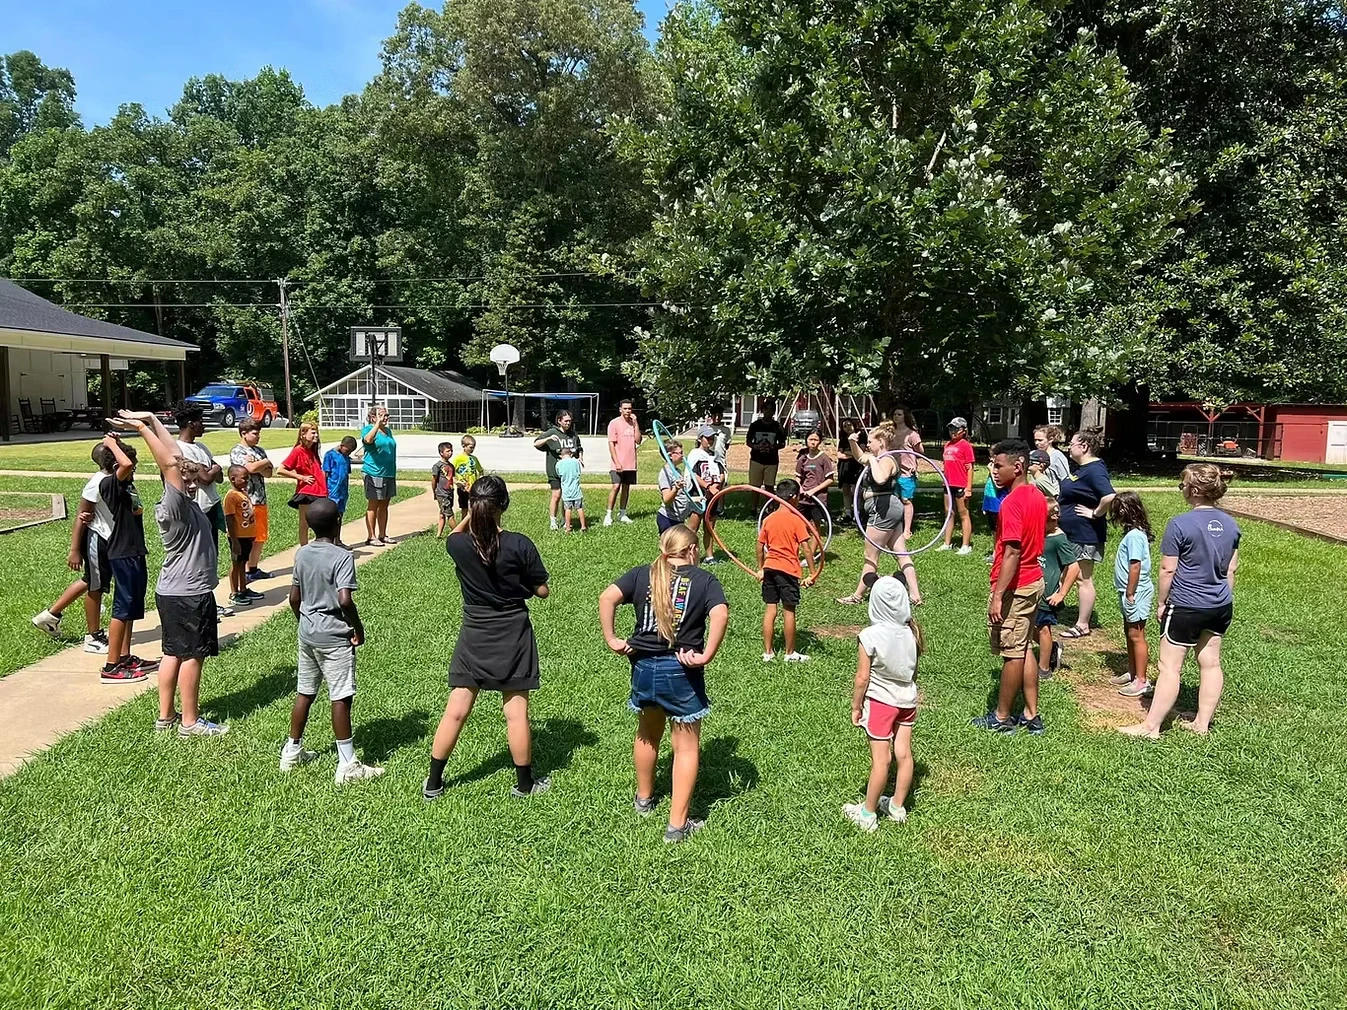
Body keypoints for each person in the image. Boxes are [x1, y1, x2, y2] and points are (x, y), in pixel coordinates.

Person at [599, 523, 729, 843]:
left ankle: (643, 799)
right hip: (681, 671)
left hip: (643, 667)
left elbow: (607, 597)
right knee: (685, 747)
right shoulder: (704, 580)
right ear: (690, 551)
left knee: (647, 734)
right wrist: (707, 654)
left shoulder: (643, 574)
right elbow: (721, 613)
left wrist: (612, 639)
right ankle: (677, 825)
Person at [424, 476, 552, 800]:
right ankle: (525, 785)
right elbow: (542, 591)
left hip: (475, 633)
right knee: (516, 712)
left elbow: (455, 533)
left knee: (455, 710)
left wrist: (469, 510)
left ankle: (434, 784)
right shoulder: (520, 544)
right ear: (504, 506)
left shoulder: (459, 545)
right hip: (513, 633)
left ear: (472, 506)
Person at [112, 410, 228, 737]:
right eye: (186, 478)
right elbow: (169, 464)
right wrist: (140, 429)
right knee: (193, 655)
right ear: (174, 482)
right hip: (189, 594)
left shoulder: (182, 503)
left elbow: (175, 458)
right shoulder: (175, 504)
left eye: (193, 476)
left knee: (173, 653)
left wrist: (151, 419)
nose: (190, 480)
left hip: (174, 591)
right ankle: (190, 722)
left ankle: (166, 718)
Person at [1122, 466, 1242, 739]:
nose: (1181, 489)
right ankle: (1202, 724)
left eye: (1182, 485)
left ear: (1194, 490)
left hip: (1187, 604)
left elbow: (1167, 570)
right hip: (1220, 605)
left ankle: (1150, 727)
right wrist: (1223, 598)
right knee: (1211, 662)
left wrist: (1162, 603)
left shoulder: (1179, 524)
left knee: (1169, 667)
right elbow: (1231, 570)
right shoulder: (1231, 524)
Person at [283, 497, 384, 783]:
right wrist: (357, 628)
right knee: (340, 696)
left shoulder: (302, 553)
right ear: (338, 521)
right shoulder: (341, 556)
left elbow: (294, 598)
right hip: (334, 636)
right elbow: (344, 598)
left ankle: (292, 751)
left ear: (308, 524)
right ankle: (347, 765)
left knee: (305, 691)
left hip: (307, 633)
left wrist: (304, 623)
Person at [973, 438, 1048, 734]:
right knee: (1024, 646)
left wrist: (998, 595)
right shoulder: (1037, 495)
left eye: (998, 465)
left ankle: (1002, 717)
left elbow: (1013, 552)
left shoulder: (1013, 503)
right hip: (1034, 582)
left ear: (1018, 467)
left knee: (1012, 652)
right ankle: (1031, 714)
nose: (993, 470)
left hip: (1018, 586)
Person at [843, 574, 922, 831]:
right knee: (904, 754)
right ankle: (897, 806)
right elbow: (913, 671)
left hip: (881, 702)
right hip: (907, 700)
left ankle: (867, 814)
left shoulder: (870, 635)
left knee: (881, 760)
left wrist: (856, 706)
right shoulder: (911, 633)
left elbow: (862, 677)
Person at [31, 442, 116, 653]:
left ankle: (51, 616)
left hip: (112, 540)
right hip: (99, 539)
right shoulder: (97, 483)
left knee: (91, 581)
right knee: (95, 587)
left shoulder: (115, 479)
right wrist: (74, 549)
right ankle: (93, 637)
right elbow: (81, 517)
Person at [838, 421, 922, 607]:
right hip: (889, 507)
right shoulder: (878, 458)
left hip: (883, 509)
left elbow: (880, 478)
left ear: (881, 442)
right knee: (901, 553)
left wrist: (873, 460)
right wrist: (853, 442)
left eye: (870, 441)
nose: (868, 445)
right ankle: (915, 596)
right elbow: (861, 458)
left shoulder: (885, 460)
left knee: (871, 556)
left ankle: (857, 596)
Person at [95, 436, 157, 683]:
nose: (135, 467)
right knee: (122, 607)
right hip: (122, 552)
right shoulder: (109, 484)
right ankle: (111, 666)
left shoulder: (127, 485)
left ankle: (124, 656)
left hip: (134, 550)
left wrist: (119, 446)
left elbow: (128, 467)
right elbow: (126, 466)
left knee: (131, 606)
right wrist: (111, 444)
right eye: (133, 463)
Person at [1057, 428, 1116, 639]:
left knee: (1083, 577)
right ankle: (1056, 606)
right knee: (1070, 572)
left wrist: (1095, 513)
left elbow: (1109, 496)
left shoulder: (1094, 469)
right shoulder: (1082, 468)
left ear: (1084, 446)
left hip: (1085, 533)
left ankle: (1082, 624)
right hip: (1072, 531)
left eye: (1071, 443)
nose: (1068, 447)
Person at [757, 478, 817, 662]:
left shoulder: (768, 519)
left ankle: (768, 653)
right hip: (788, 569)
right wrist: (813, 573)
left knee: (770, 609)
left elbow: (759, 547)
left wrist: (760, 569)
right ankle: (790, 653)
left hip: (770, 568)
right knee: (789, 610)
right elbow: (806, 548)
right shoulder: (796, 520)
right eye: (798, 496)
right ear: (793, 498)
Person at [1110, 492, 1155, 698]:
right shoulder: (1133, 534)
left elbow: (1135, 565)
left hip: (1135, 593)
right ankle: (1133, 671)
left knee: (1137, 634)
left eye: (1119, 509)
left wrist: (1130, 592)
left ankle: (1142, 681)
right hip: (1128, 592)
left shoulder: (1135, 536)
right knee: (1129, 632)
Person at [174, 403, 227, 572]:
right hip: (197, 509)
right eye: (200, 421)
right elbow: (205, 478)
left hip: (211, 506)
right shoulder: (179, 449)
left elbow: (217, 477)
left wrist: (212, 469)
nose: (203, 425)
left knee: (212, 553)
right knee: (199, 555)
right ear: (191, 424)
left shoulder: (202, 447)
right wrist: (213, 469)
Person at [1032, 501, 1080, 680]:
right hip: (1033, 590)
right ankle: (1052, 648)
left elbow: (1074, 567)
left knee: (1043, 628)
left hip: (1047, 594)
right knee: (1029, 628)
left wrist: (1061, 593)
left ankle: (1044, 669)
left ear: (1053, 519)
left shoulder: (1059, 539)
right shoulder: (1042, 534)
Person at [229, 418, 273, 582]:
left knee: (260, 536)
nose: (258, 436)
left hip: (260, 499)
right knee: (246, 537)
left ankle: (253, 569)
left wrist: (260, 464)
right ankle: (243, 571)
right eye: (255, 433)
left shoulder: (259, 451)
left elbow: (268, 473)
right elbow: (249, 469)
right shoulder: (237, 451)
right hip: (245, 501)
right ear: (243, 433)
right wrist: (264, 463)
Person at [276, 421, 327, 547]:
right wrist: (301, 477)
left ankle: (317, 545)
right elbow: (280, 469)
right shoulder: (298, 451)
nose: (316, 435)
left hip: (319, 490)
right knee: (305, 522)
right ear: (303, 434)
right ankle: (304, 547)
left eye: (317, 433)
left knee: (318, 521)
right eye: (313, 432)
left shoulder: (312, 450)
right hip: (306, 491)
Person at [534, 410, 583, 531]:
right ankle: (553, 521)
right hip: (554, 470)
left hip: (569, 473)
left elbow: (579, 448)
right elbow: (536, 443)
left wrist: (580, 458)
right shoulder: (552, 432)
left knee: (566, 496)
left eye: (570, 421)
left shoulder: (573, 434)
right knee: (556, 495)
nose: (568, 423)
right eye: (566, 421)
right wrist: (548, 438)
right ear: (559, 421)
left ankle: (564, 520)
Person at [686, 426, 727, 563]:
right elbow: (693, 474)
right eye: (707, 438)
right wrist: (707, 487)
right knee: (693, 528)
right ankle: (688, 555)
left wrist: (716, 485)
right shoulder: (695, 454)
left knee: (709, 528)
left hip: (713, 496)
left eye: (712, 438)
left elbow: (721, 473)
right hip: (698, 495)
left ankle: (709, 556)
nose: (710, 440)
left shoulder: (715, 456)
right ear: (700, 439)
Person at [360, 406, 398, 547]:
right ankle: (371, 536)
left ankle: (383, 534)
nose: (385, 417)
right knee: (373, 505)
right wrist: (376, 424)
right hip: (373, 472)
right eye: (382, 415)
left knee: (384, 505)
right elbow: (368, 440)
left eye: (387, 415)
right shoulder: (368, 429)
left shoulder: (388, 431)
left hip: (388, 473)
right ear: (373, 417)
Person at [222, 465, 259, 609]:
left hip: (247, 536)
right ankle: (234, 593)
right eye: (244, 478)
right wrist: (234, 540)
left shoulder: (243, 493)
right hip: (237, 537)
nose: (247, 481)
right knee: (236, 564)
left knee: (243, 562)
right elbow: (230, 519)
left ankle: (243, 589)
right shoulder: (231, 496)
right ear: (233, 479)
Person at [939, 417, 975, 553]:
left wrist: (969, 488)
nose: (953, 431)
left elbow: (970, 468)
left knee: (963, 513)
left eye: (956, 428)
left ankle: (965, 545)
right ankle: (947, 543)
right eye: (950, 428)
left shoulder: (965, 445)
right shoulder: (947, 445)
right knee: (949, 513)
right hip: (948, 484)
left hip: (961, 484)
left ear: (963, 430)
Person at [604, 399, 642, 526]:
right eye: (625, 408)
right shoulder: (614, 423)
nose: (627, 411)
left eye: (629, 409)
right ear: (620, 409)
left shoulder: (633, 423)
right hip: (618, 463)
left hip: (630, 463)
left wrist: (636, 424)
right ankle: (608, 514)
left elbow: (638, 440)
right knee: (615, 487)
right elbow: (611, 444)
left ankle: (622, 513)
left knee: (626, 488)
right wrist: (617, 462)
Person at [793, 429, 835, 529]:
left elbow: (830, 479)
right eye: (810, 439)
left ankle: (816, 544)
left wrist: (813, 491)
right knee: (800, 525)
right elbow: (798, 476)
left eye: (815, 440)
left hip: (818, 498)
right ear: (806, 440)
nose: (813, 442)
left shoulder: (824, 458)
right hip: (803, 498)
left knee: (816, 527)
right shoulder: (802, 458)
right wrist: (800, 488)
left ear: (819, 441)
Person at [892, 407, 924, 538]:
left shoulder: (912, 434)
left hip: (907, 473)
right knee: (894, 500)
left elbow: (920, 452)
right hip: (892, 472)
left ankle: (907, 530)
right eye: (894, 414)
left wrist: (911, 462)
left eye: (899, 414)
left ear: (905, 416)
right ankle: (895, 527)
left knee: (906, 500)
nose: (896, 416)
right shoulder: (890, 433)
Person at [322, 436, 358, 548]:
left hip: (342, 492)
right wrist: (324, 490)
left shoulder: (346, 457)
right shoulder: (330, 455)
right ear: (342, 446)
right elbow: (325, 474)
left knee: (339, 516)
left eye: (351, 452)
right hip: (332, 491)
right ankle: (329, 540)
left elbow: (346, 474)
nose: (348, 453)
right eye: (347, 451)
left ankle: (337, 540)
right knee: (331, 517)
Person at [656, 440, 696, 533]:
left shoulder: (677, 471)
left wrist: (697, 500)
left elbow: (682, 495)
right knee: (671, 547)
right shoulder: (665, 473)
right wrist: (676, 488)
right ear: (670, 455)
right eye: (680, 453)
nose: (683, 455)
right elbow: (666, 500)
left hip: (679, 518)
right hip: (668, 519)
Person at [745, 402, 787, 488]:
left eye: (771, 409)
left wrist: (773, 447)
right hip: (756, 459)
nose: (768, 411)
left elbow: (783, 443)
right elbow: (748, 441)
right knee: (755, 486)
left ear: (774, 412)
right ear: (762, 410)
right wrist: (755, 446)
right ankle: (755, 502)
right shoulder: (755, 425)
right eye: (766, 409)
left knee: (769, 486)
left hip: (772, 461)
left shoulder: (777, 426)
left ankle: (768, 502)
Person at [835, 418, 867, 525]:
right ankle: (848, 513)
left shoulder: (861, 435)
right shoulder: (843, 438)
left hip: (857, 467)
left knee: (857, 490)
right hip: (844, 467)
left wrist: (848, 454)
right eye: (844, 426)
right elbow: (839, 455)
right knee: (846, 489)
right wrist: (852, 454)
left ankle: (857, 513)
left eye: (849, 425)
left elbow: (860, 453)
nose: (847, 427)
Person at [451, 435, 485, 522]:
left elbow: (480, 470)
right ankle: (464, 528)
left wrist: (480, 479)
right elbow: (451, 472)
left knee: (474, 508)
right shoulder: (458, 459)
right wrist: (456, 482)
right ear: (463, 446)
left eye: (473, 447)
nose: (472, 449)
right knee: (464, 509)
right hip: (463, 489)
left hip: (473, 488)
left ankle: (472, 526)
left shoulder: (474, 459)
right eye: (470, 447)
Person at [980, 467, 1009, 562]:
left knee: (1000, 531)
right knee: (994, 531)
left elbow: (998, 485)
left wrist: (991, 470)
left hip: (998, 504)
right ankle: (995, 553)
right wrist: (985, 505)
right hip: (990, 503)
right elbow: (988, 487)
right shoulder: (993, 469)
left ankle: (1000, 554)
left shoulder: (999, 470)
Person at [557, 446, 587, 532]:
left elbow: (558, 473)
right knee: (579, 508)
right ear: (571, 454)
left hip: (566, 491)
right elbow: (578, 472)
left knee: (568, 509)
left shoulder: (559, 464)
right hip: (576, 491)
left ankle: (568, 527)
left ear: (561, 455)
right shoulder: (576, 462)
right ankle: (583, 526)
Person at [432, 441, 456, 538]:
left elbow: (452, 478)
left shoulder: (451, 466)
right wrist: (434, 492)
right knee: (450, 514)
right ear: (441, 453)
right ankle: (458, 533)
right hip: (442, 493)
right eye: (448, 451)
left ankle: (438, 535)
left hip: (449, 492)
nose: (450, 453)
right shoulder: (437, 466)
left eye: (451, 451)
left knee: (442, 513)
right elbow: (434, 480)